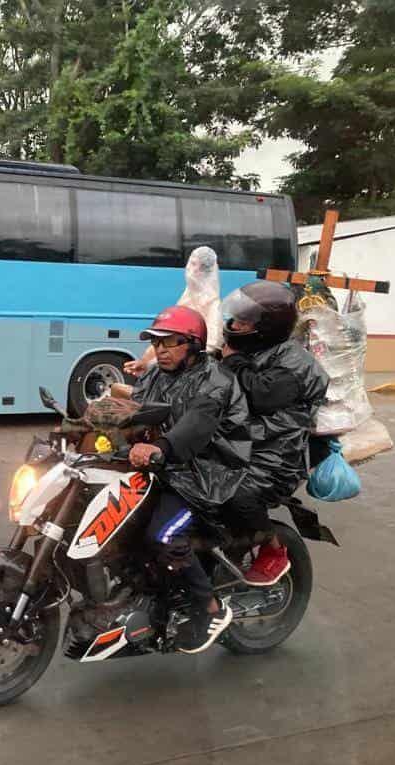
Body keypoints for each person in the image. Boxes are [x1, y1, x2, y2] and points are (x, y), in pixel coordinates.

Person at [128, 305, 252, 654]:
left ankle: (211, 608)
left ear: (194, 345)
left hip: (208, 471)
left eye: (171, 343)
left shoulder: (216, 380)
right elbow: (135, 411)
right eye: (157, 343)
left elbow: (196, 424)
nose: (162, 350)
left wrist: (160, 447)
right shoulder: (155, 375)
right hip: (168, 464)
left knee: (163, 533)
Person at [218, 281, 330, 586]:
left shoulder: (296, 364)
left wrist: (231, 361)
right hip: (243, 443)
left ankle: (273, 548)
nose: (236, 324)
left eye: (245, 321)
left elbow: (258, 395)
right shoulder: (253, 349)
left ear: (266, 328)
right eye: (237, 317)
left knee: (234, 494)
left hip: (276, 457)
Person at [124, 246, 224, 378]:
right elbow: (165, 337)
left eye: (194, 264)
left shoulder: (213, 305)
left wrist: (154, 364)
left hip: (193, 378)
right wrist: (145, 362)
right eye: (189, 263)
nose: (188, 268)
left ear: (203, 270)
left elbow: (210, 346)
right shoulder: (187, 297)